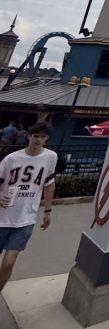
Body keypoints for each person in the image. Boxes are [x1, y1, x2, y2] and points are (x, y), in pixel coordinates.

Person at [0, 121, 57, 293]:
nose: (38, 140)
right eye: (35, 136)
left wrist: (47, 211)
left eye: (42, 137)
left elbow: (49, 184)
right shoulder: (12, 159)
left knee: (9, 261)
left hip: (26, 217)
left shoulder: (50, 157)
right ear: (29, 136)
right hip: (3, 215)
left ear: (47, 139)